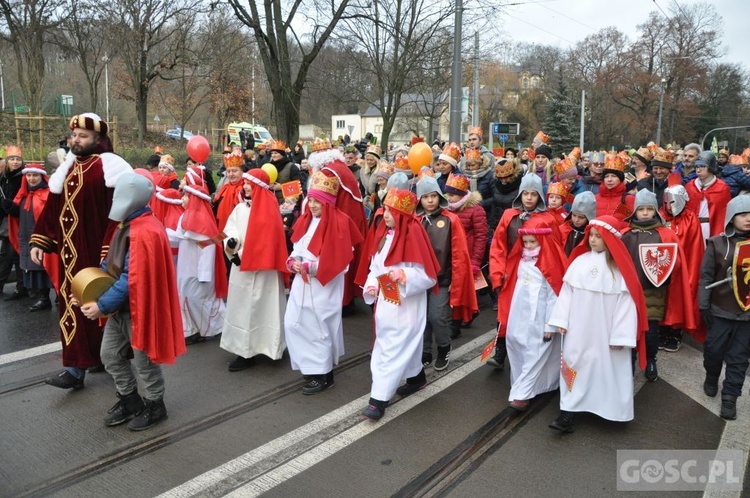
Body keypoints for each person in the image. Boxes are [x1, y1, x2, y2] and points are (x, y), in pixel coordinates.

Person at [31, 113, 133, 389]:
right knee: (72, 307)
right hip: (69, 254)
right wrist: (40, 240)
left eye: (83, 136)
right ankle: (75, 368)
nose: (76, 140)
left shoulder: (110, 168)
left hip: (98, 253)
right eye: (74, 135)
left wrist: (110, 250)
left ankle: (109, 359)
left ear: (97, 139)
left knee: (103, 308)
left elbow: (121, 212)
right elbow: (53, 207)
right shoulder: (67, 168)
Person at [78, 173, 185, 430]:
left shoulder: (145, 230)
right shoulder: (127, 225)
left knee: (144, 360)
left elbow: (131, 279)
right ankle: (130, 400)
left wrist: (102, 305)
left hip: (139, 309)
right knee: (110, 355)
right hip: (121, 308)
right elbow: (111, 264)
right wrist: (86, 290)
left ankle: (155, 404)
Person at [547, 216, 648, 433]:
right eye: (590, 235)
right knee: (574, 363)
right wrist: (561, 320)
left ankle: (611, 411)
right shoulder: (579, 262)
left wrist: (621, 335)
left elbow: (626, 304)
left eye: (598, 237)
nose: (592, 240)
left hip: (606, 331)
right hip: (578, 328)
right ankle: (568, 412)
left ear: (610, 239)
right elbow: (566, 294)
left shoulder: (620, 269)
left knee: (606, 369)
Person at [356, 188, 439, 420]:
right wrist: (372, 284)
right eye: (385, 211)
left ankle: (378, 399)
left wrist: (404, 276)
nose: (385, 215)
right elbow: (375, 268)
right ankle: (416, 378)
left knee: (391, 349)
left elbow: (428, 276)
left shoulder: (414, 235)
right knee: (398, 344)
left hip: (406, 306)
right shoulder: (384, 235)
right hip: (385, 302)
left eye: (391, 212)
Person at [284, 170, 363, 394]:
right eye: (311, 200)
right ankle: (309, 367)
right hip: (302, 284)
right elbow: (298, 248)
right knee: (293, 323)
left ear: (328, 202)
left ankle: (324, 374)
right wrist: (293, 262)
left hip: (324, 287)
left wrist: (313, 268)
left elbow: (343, 262)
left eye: (318, 201)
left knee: (318, 328)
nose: (313, 205)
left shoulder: (340, 222)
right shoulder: (307, 221)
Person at [620, 189, 696, 382]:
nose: (645, 213)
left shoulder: (666, 235)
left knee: (650, 332)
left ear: (655, 211)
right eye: (641, 209)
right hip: (627, 292)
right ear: (634, 211)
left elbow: (676, 264)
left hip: (654, 292)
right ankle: (628, 361)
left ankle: (651, 358)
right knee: (628, 330)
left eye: (649, 209)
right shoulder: (624, 234)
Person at [487, 173, 559, 370]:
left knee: (532, 313)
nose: (528, 198)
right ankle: (501, 349)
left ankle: (533, 353)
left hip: (534, 272)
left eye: (533, 194)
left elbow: (554, 248)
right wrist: (497, 272)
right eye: (525, 193)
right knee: (506, 311)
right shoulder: (509, 216)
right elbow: (498, 246)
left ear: (540, 197)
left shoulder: (547, 219)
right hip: (511, 272)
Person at [221, 169, 289, 371]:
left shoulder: (269, 209)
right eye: (245, 184)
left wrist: (241, 255)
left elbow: (266, 240)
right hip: (241, 268)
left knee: (264, 308)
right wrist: (231, 243)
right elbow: (230, 228)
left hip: (263, 270)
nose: (246, 187)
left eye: (250, 184)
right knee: (242, 308)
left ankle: (270, 346)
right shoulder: (240, 209)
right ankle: (244, 351)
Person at [500, 219, 566, 411]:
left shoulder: (548, 262)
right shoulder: (521, 260)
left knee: (535, 353)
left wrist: (550, 324)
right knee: (517, 347)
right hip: (519, 315)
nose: (528, 246)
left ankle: (522, 395)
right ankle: (524, 386)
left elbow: (554, 295)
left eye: (532, 242)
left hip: (539, 317)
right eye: (525, 242)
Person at [416, 175, 477, 369]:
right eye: (425, 197)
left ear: (439, 196)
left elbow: (459, 252)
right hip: (419, 279)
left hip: (441, 278)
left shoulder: (451, 220)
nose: (430, 200)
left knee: (437, 316)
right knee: (421, 317)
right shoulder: (415, 220)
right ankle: (425, 350)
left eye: (433, 196)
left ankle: (444, 346)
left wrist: (454, 279)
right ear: (419, 199)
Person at [699, 196, 750, 420]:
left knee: (739, 358)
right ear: (731, 217)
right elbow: (706, 276)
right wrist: (703, 304)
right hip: (720, 309)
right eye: (743, 214)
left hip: (747, 314)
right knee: (713, 351)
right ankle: (711, 377)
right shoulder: (717, 244)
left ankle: (730, 397)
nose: (748, 219)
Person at [169, 167, 228, 344]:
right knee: (186, 299)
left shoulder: (201, 220)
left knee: (199, 302)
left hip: (197, 272)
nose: (182, 199)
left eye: (186, 196)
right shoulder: (185, 217)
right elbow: (179, 238)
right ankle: (191, 330)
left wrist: (204, 275)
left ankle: (215, 327)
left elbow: (207, 249)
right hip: (186, 269)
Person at [660, 174, 704, 352]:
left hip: (682, 266)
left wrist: (690, 270)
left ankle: (675, 331)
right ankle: (662, 329)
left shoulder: (690, 219)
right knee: (662, 297)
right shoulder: (661, 217)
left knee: (678, 298)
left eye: (673, 202)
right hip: (663, 265)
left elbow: (695, 247)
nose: (669, 207)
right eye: (667, 203)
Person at [8, 164, 58, 311]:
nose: (31, 178)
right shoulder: (23, 194)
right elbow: (19, 213)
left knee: (50, 266)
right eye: (28, 175)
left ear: (41, 176)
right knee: (37, 268)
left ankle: (59, 297)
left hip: (44, 238)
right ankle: (44, 299)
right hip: (27, 235)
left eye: (35, 175)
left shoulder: (48, 194)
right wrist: (11, 209)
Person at [444, 172, 487, 332]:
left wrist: (476, 261)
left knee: (462, 289)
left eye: (453, 195)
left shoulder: (476, 210)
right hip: (451, 255)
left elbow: (481, 236)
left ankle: (459, 320)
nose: (450, 198)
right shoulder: (448, 210)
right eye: (448, 194)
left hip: (467, 256)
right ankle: (463, 315)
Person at [0, 145, 27, 300]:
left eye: (18, 159)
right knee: (6, 255)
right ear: (7, 161)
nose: (15, 162)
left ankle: (21, 287)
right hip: (6, 221)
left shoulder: (24, 177)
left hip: (19, 220)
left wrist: (14, 208)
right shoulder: (3, 177)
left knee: (16, 255)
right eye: (12, 159)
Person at [685, 151, 732, 240]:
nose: (698, 170)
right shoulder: (690, 186)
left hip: (712, 228)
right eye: (697, 167)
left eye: (702, 166)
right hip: (691, 228)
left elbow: (723, 214)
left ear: (710, 167)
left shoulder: (722, 188)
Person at [595, 153, 633, 223]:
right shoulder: (595, 198)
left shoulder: (628, 199)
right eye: (606, 176)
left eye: (613, 176)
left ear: (620, 179)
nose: (609, 179)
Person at [559, 191, 596, 256]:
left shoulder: (592, 234)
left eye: (581, 217)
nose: (576, 220)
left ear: (589, 217)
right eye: (574, 215)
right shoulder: (562, 229)